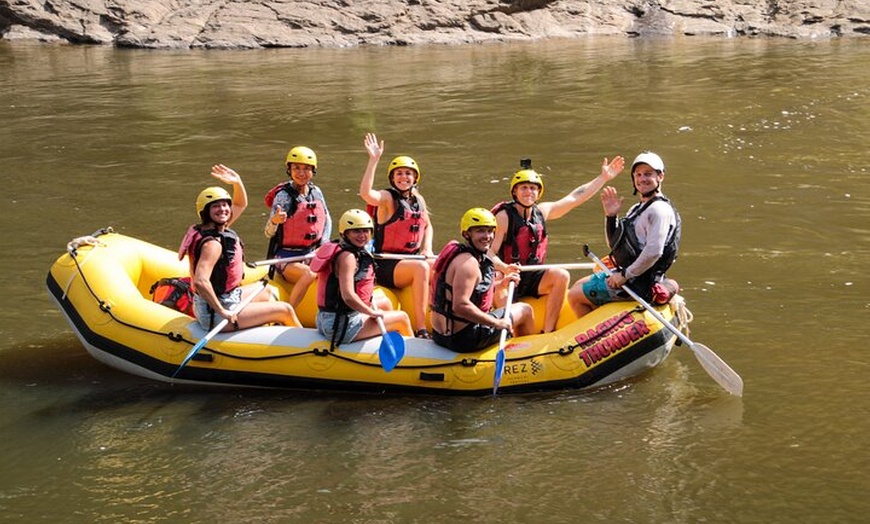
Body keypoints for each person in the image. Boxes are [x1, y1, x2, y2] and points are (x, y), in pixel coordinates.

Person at [488, 156, 624, 332]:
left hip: (532, 275)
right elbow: (489, 252)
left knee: (561, 275)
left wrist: (602, 178)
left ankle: (549, 330)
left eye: (532, 188)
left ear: (539, 192)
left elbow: (575, 198)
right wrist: (504, 267)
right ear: (515, 192)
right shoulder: (504, 217)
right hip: (508, 274)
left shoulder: (542, 212)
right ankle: (509, 333)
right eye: (523, 188)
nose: (528, 192)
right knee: (497, 280)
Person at [179, 165, 301, 331]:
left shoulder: (217, 228)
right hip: (216, 313)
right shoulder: (212, 244)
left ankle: (270, 336)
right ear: (206, 212)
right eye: (216, 206)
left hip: (228, 297)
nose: (223, 209)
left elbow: (240, 203)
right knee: (285, 309)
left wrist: (237, 182)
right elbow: (201, 281)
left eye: (225, 205)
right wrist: (222, 311)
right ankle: (307, 343)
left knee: (267, 292)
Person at [567, 151, 682, 318]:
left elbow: (654, 252)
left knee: (574, 295)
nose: (642, 179)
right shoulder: (636, 209)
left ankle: (595, 340)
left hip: (638, 283)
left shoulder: (659, 210)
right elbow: (613, 245)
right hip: (630, 275)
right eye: (638, 175)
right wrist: (610, 216)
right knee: (580, 283)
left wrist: (624, 275)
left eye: (648, 174)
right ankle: (602, 320)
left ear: (660, 176)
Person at [358, 132, 434, 339]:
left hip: (410, 259)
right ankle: (421, 328)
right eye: (399, 174)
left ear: (415, 178)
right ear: (392, 178)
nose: (404, 177)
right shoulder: (387, 199)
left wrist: (427, 248)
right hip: (386, 264)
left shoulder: (418, 200)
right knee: (421, 267)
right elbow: (366, 194)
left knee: (441, 263)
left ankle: (446, 318)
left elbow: (427, 226)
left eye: (408, 174)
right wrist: (373, 161)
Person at [430, 208, 535, 353]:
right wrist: (497, 323)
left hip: (440, 335)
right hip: (464, 339)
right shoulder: (469, 264)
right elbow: (460, 305)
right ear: (466, 234)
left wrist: (501, 284)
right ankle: (527, 353)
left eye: (490, 231)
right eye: (480, 231)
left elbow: (472, 292)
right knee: (525, 309)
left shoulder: (459, 255)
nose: (487, 236)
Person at [312, 209, 413, 347]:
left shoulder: (344, 250)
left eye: (366, 231)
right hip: (341, 327)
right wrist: (371, 313)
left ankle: (386, 342)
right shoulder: (348, 257)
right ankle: (412, 353)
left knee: (384, 303)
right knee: (402, 317)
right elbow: (347, 296)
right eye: (356, 231)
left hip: (326, 318)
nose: (362, 235)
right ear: (345, 233)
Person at [264, 146, 332, 308]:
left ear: (313, 171)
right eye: (296, 168)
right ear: (289, 170)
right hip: (286, 258)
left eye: (306, 169)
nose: (301, 173)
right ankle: (289, 311)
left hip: (311, 254)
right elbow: (268, 232)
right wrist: (275, 221)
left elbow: (327, 218)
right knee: (308, 273)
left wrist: (323, 244)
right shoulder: (284, 196)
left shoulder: (316, 192)